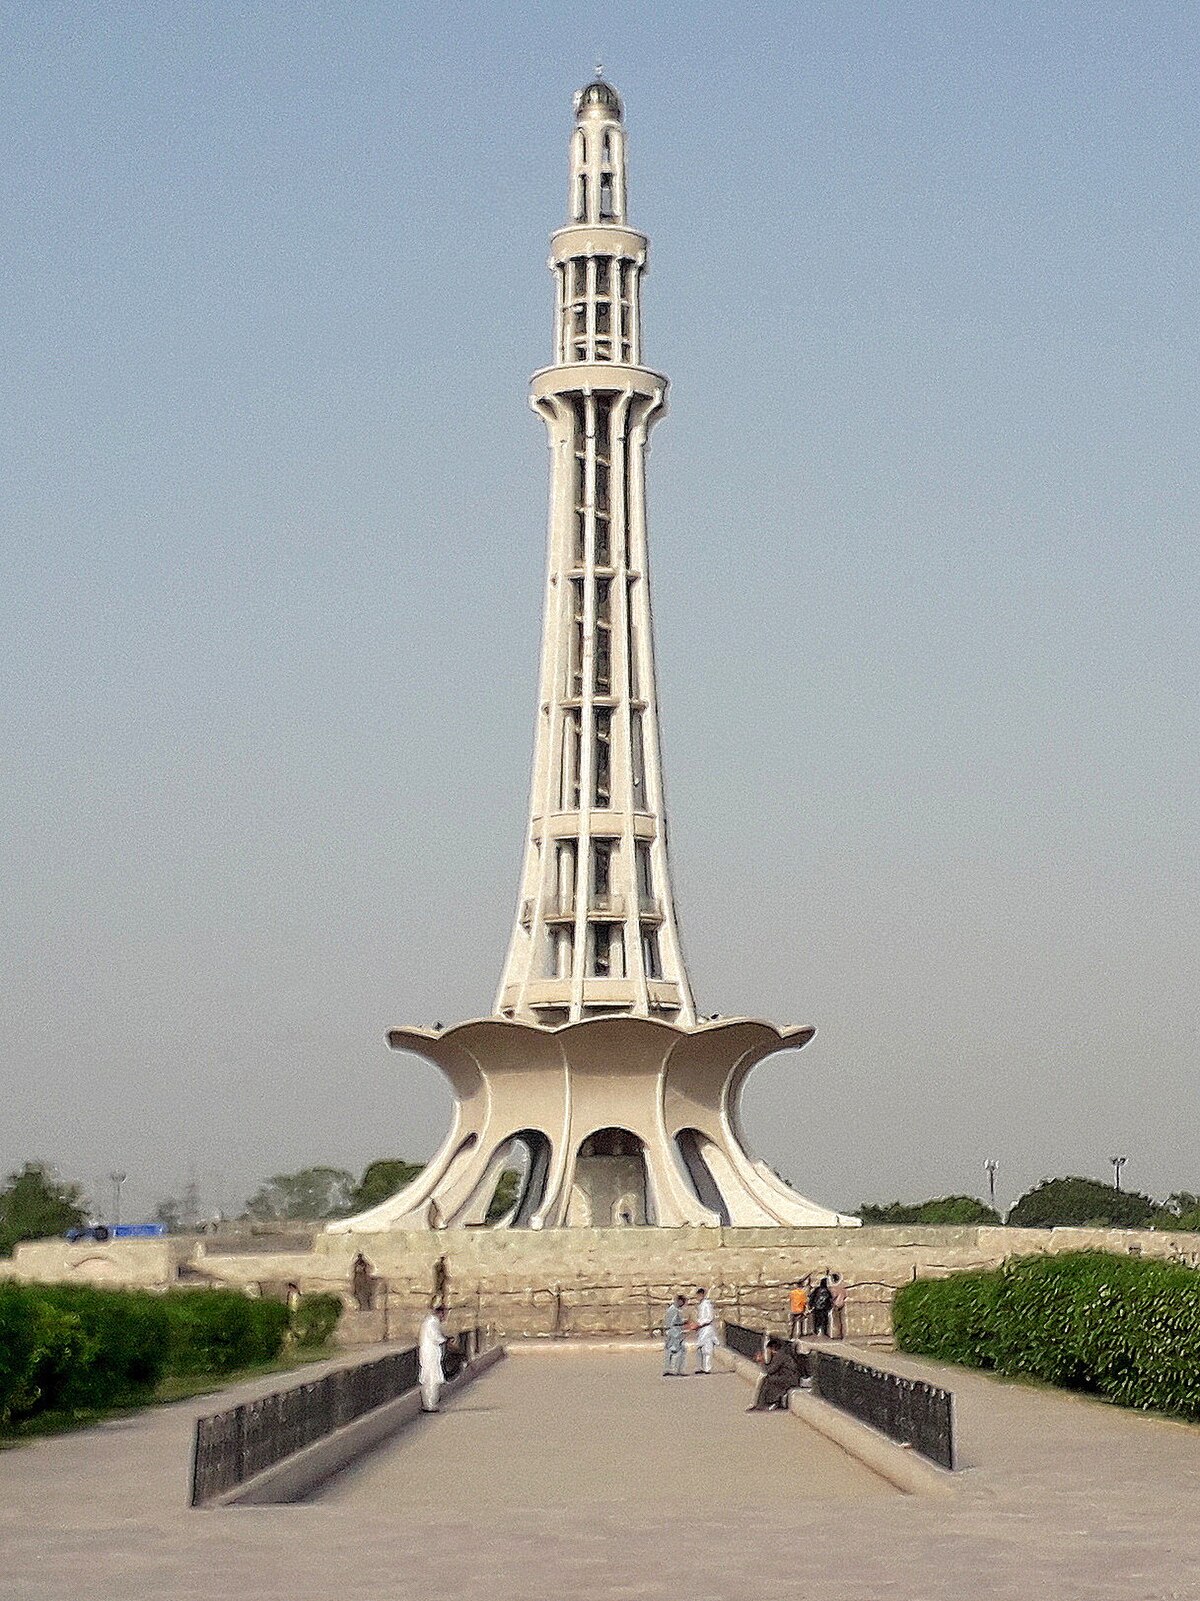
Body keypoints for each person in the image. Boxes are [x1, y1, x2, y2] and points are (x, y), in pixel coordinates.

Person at [748, 1338, 803, 1412]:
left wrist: (761, 1361)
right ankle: (760, 1404)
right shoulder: (780, 1355)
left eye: (769, 1349)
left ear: (772, 1348)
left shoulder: (780, 1356)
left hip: (790, 1379)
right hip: (787, 1377)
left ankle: (766, 1403)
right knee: (768, 1379)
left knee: (768, 1380)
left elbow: (770, 1370)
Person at [418, 1303, 448, 1412]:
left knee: (430, 1376)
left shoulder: (430, 1321)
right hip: (430, 1353)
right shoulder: (432, 1322)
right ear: (440, 1313)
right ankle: (429, 1404)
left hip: (430, 1353)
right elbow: (435, 1336)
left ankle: (429, 1403)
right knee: (431, 1377)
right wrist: (446, 1340)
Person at [693, 1287, 720, 1374]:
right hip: (702, 1329)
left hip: (707, 1328)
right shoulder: (701, 1305)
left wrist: (700, 1324)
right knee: (700, 1348)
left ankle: (707, 1368)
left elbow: (709, 1318)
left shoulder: (707, 1304)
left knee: (707, 1349)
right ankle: (701, 1366)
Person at [663, 1294, 687, 1377]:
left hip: (674, 1331)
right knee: (675, 1350)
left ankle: (675, 1368)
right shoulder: (674, 1310)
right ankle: (673, 1369)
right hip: (674, 1332)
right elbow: (673, 1322)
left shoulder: (673, 1309)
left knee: (677, 1350)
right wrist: (683, 1322)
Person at [830, 1272, 847, 1339]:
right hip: (842, 1304)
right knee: (841, 1320)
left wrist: (831, 1301)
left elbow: (833, 1296)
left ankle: (836, 1335)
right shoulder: (842, 1288)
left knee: (835, 1320)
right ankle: (842, 1334)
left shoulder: (834, 1288)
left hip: (835, 1304)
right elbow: (845, 1295)